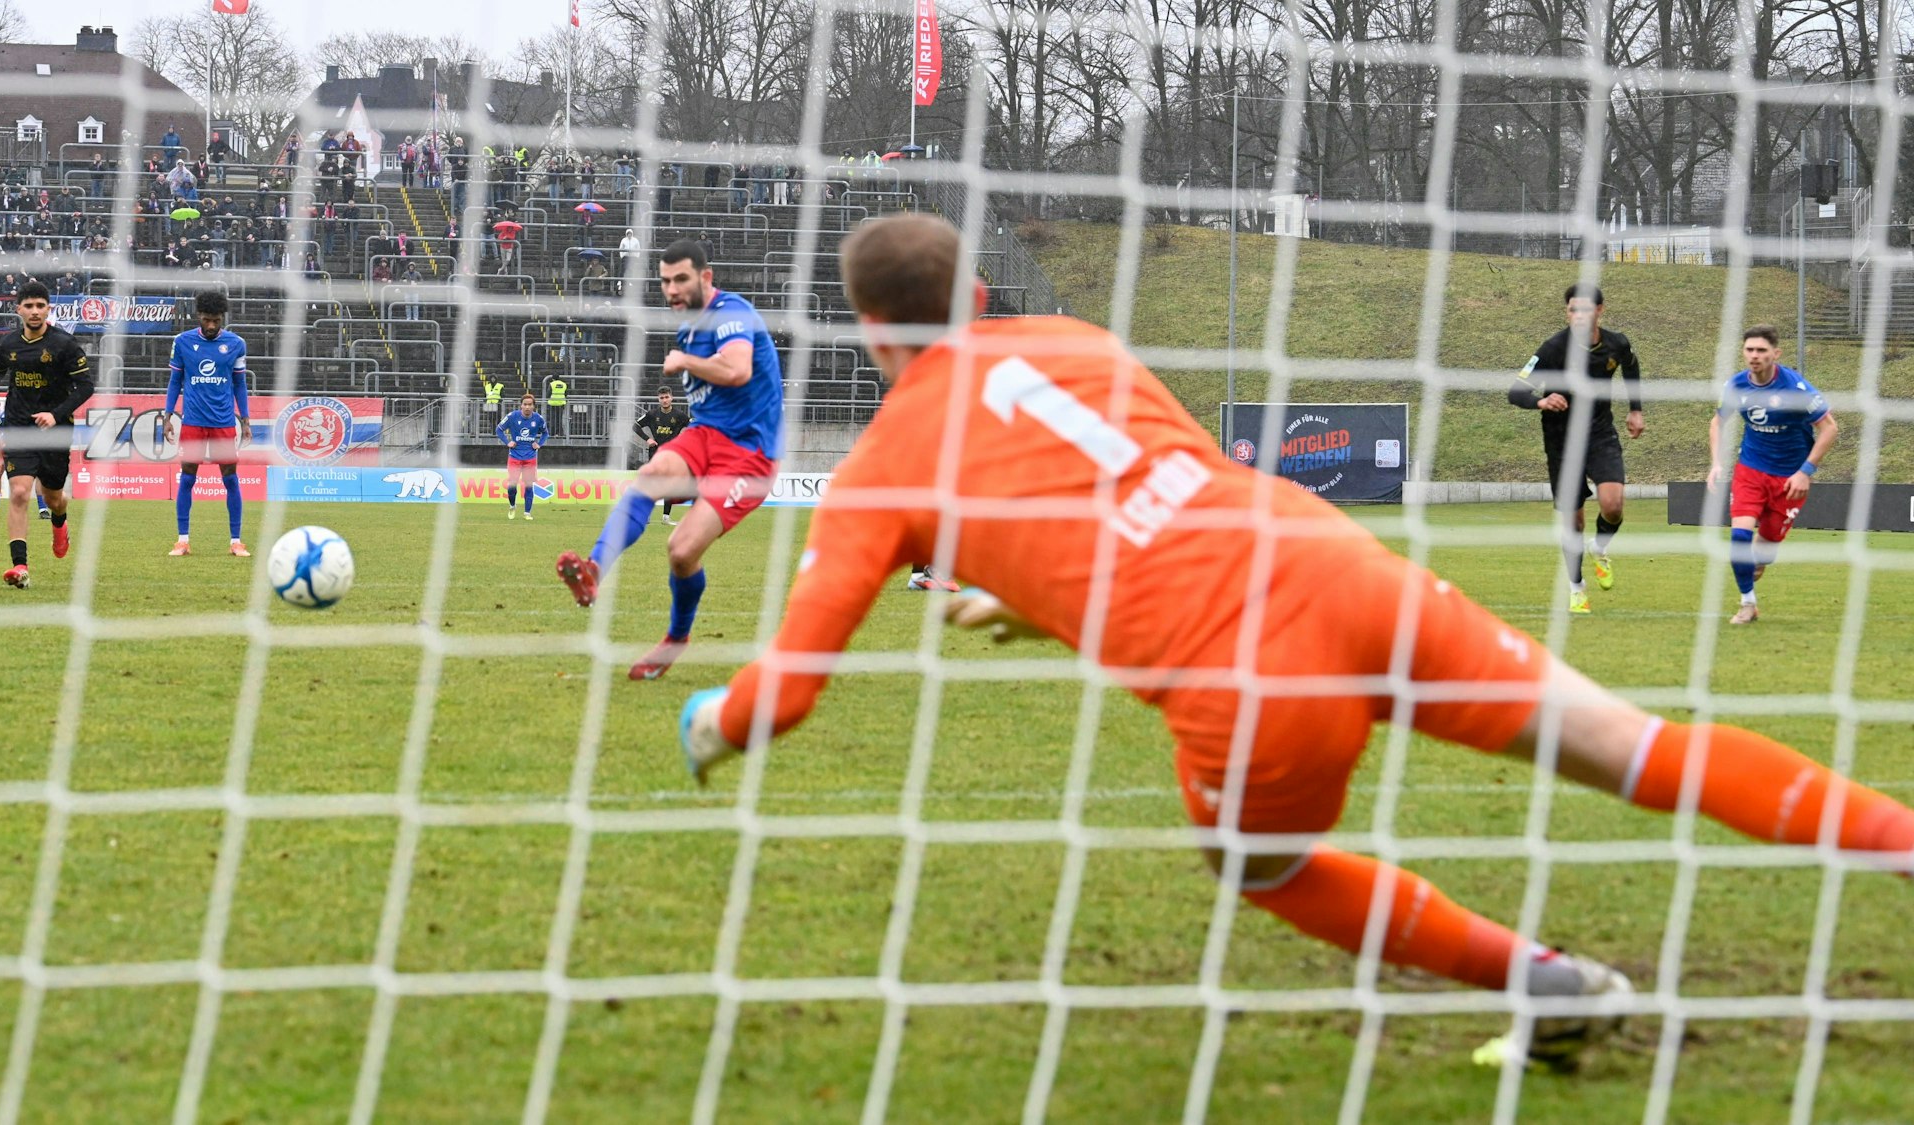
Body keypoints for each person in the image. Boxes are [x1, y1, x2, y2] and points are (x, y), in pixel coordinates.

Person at [675, 214, 1914, 1073]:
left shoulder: (883, 466)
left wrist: (711, 722)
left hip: (1243, 670)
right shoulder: (1077, 345)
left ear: (868, 332)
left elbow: (784, 694)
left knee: (1261, 868)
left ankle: (1554, 987)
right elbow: (1149, 488)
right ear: (982, 297)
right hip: (1336, 569)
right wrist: (1025, 595)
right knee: (1630, 746)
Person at [556, 238, 783, 681]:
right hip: (706, 435)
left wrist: (686, 362)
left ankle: (676, 639)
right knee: (651, 472)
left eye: (681, 279)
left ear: (705, 277)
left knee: (681, 551)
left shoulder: (730, 313)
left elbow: (738, 370)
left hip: (750, 452)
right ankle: (594, 570)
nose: (673, 289)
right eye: (665, 281)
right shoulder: (689, 329)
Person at [1507, 284, 1644, 615]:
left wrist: (1636, 409)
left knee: (1613, 506)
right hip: (1560, 442)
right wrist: (1541, 399)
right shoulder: (1553, 349)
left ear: (1600, 310)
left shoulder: (1616, 343)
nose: (1578, 315)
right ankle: (1577, 587)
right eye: (1572, 310)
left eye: (1585, 309)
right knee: (1575, 523)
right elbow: (1515, 391)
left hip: (1599, 434)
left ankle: (1600, 547)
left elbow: (1631, 367)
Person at [1706, 325, 1838, 626]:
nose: (1754, 356)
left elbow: (1830, 428)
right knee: (1739, 537)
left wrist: (1806, 471)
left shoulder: (1796, 389)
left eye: (1761, 350)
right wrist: (1716, 463)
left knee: (1761, 558)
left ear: (1775, 354)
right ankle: (1747, 604)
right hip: (1750, 471)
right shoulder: (1736, 385)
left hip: (1790, 480)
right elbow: (1717, 422)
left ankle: (1756, 571)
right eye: (1749, 349)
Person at [0, 281, 92, 588]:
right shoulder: (10, 344)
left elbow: (86, 386)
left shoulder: (64, 344)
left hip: (55, 431)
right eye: (29, 306)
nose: (35, 311)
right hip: (18, 426)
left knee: (53, 498)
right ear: (18, 309)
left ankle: (60, 525)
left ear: (48, 309)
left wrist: (56, 413)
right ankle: (19, 566)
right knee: (21, 493)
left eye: (41, 306)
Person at [163, 290, 252, 557]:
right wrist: (167, 417)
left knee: (231, 479)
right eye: (206, 320)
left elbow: (240, 383)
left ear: (221, 318)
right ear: (198, 316)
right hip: (193, 422)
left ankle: (236, 542)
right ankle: (183, 540)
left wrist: (245, 421)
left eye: (215, 320)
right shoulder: (182, 342)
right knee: (187, 478)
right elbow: (175, 382)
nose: (211, 325)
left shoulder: (236, 344)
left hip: (223, 422)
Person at [632, 386, 691, 525]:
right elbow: (635, 426)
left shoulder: (679, 415)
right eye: (661, 398)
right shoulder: (652, 414)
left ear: (671, 398)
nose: (664, 400)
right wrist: (648, 439)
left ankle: (666, 517)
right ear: (658, 399)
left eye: (666, 397)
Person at [497, 392, 549, 520]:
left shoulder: (538, 419)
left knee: (529, 485)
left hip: (530, 457)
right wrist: (507, 442)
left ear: (533, 407)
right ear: (521, 406)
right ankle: (512, 505)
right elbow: (499, 429)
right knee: (512, 486)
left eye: (529, 405)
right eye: (525, 404)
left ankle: (527, 513)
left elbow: (545, 433)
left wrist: (539, 443)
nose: (527, 407)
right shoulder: (512, 416)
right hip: (514, 456)